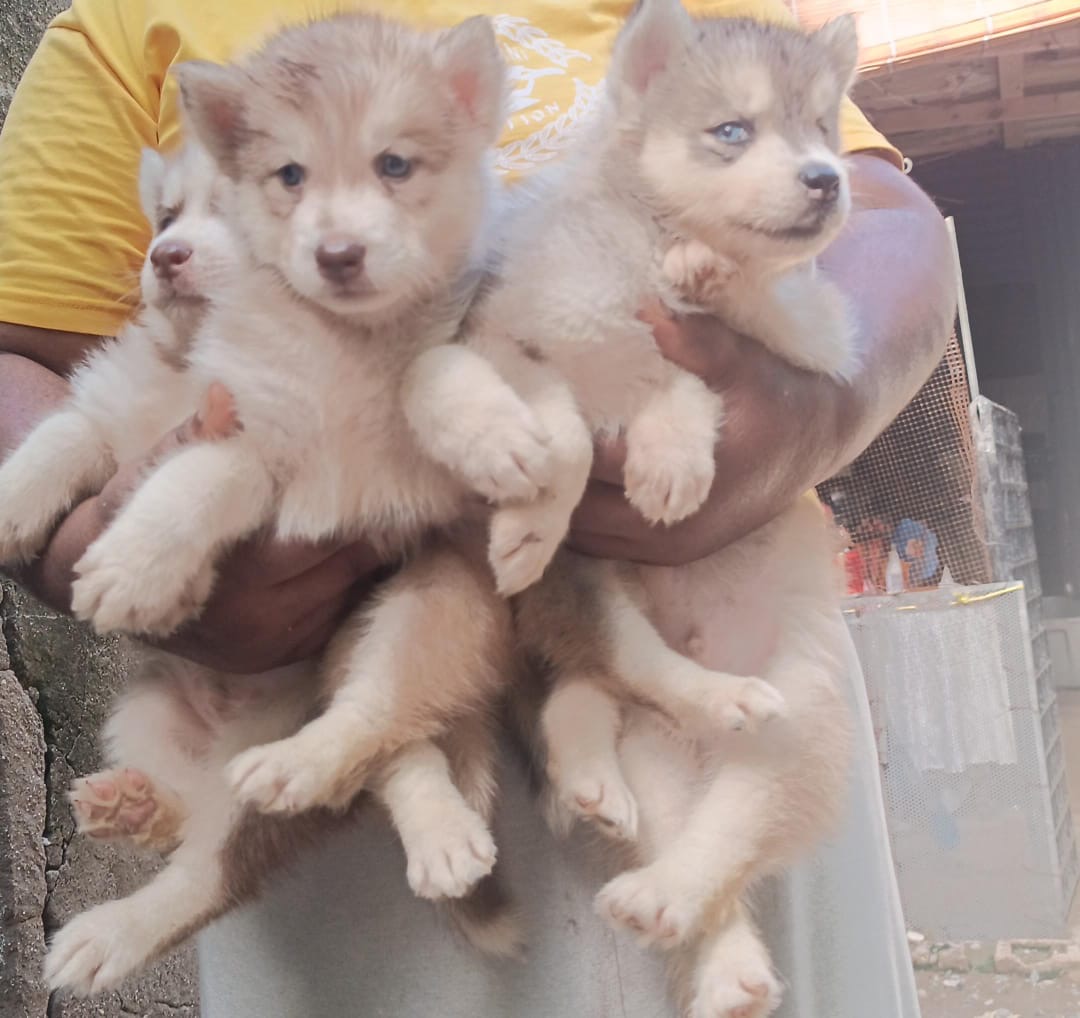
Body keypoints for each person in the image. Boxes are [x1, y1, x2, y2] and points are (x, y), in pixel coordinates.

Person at [0, 1, 956, 1015]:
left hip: (737, 652)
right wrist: (78, 542)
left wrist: (816, 409)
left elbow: (886, 211)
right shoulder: (124, 23)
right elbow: (25, 345)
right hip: (347, 756)